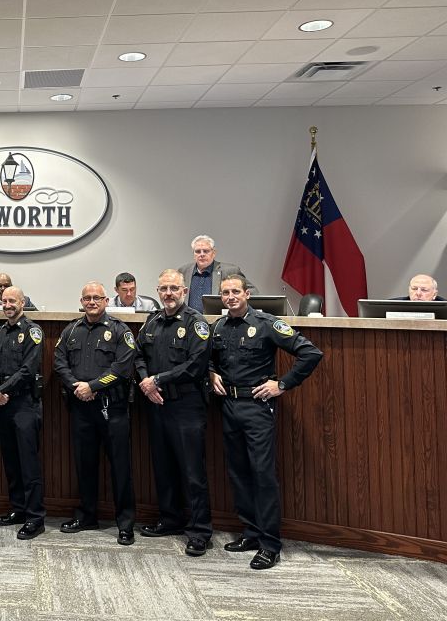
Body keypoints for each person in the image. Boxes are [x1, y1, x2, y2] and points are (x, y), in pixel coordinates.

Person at [210, 274, 323, 570]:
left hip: (258, 407)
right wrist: (211, 373)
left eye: (236, 291)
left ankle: (270, 544)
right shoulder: (219, 327)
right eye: (226, 292)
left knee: (262, 474)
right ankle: (251, 533)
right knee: (238, 473)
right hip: (229, 406)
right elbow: (207, 359)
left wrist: (282, 384)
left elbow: (310, 353)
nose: (231, 296)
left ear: (247, 294)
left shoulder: (266, 323)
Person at [134, 270, 213, 556]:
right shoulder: (152, 321)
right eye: (163, 288)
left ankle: (200, 531)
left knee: (192, 470)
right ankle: (170, 520)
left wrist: (157, 380)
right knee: (163, 465)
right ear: (157, 290)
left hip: (186, 405)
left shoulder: (196, 322)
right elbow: (138, 355)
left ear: (184, 290)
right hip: (156, 403)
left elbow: (196, 364)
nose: (168, 293)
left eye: (173, 288)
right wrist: (146, 382)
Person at [53, 281, 137, 545]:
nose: (91, 302)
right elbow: (59, 361)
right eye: (87, 298)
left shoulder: (120, 330)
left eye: (96, 298)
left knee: (120, 467)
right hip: (81, 407)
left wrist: (93, 386)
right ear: (81, 301)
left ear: (106, 301)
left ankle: (125, 523)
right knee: (84, 463)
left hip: (112, 408)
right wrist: (77, 386)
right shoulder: (71, 330)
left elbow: (123, 367)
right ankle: (87, 515)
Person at [0, 286, 46, 540]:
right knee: (11, 461)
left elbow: (28, 369)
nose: (8, 304)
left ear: (23, 303)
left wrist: (4, 390)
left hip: (25, 404)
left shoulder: (32, 331)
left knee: (28, 463)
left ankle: (35, 518)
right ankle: (18, 510)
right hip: (3, 404)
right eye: (5, 301)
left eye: (13, 301)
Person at [178, 235, 256, 313]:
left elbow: (252, 292)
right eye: (198, 251)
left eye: (206, 251)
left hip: (218, 320)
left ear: (214, 253)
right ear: (194, 254)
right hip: (189, 321)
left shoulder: (230, 271)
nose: (201, 254)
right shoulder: (184, 271)